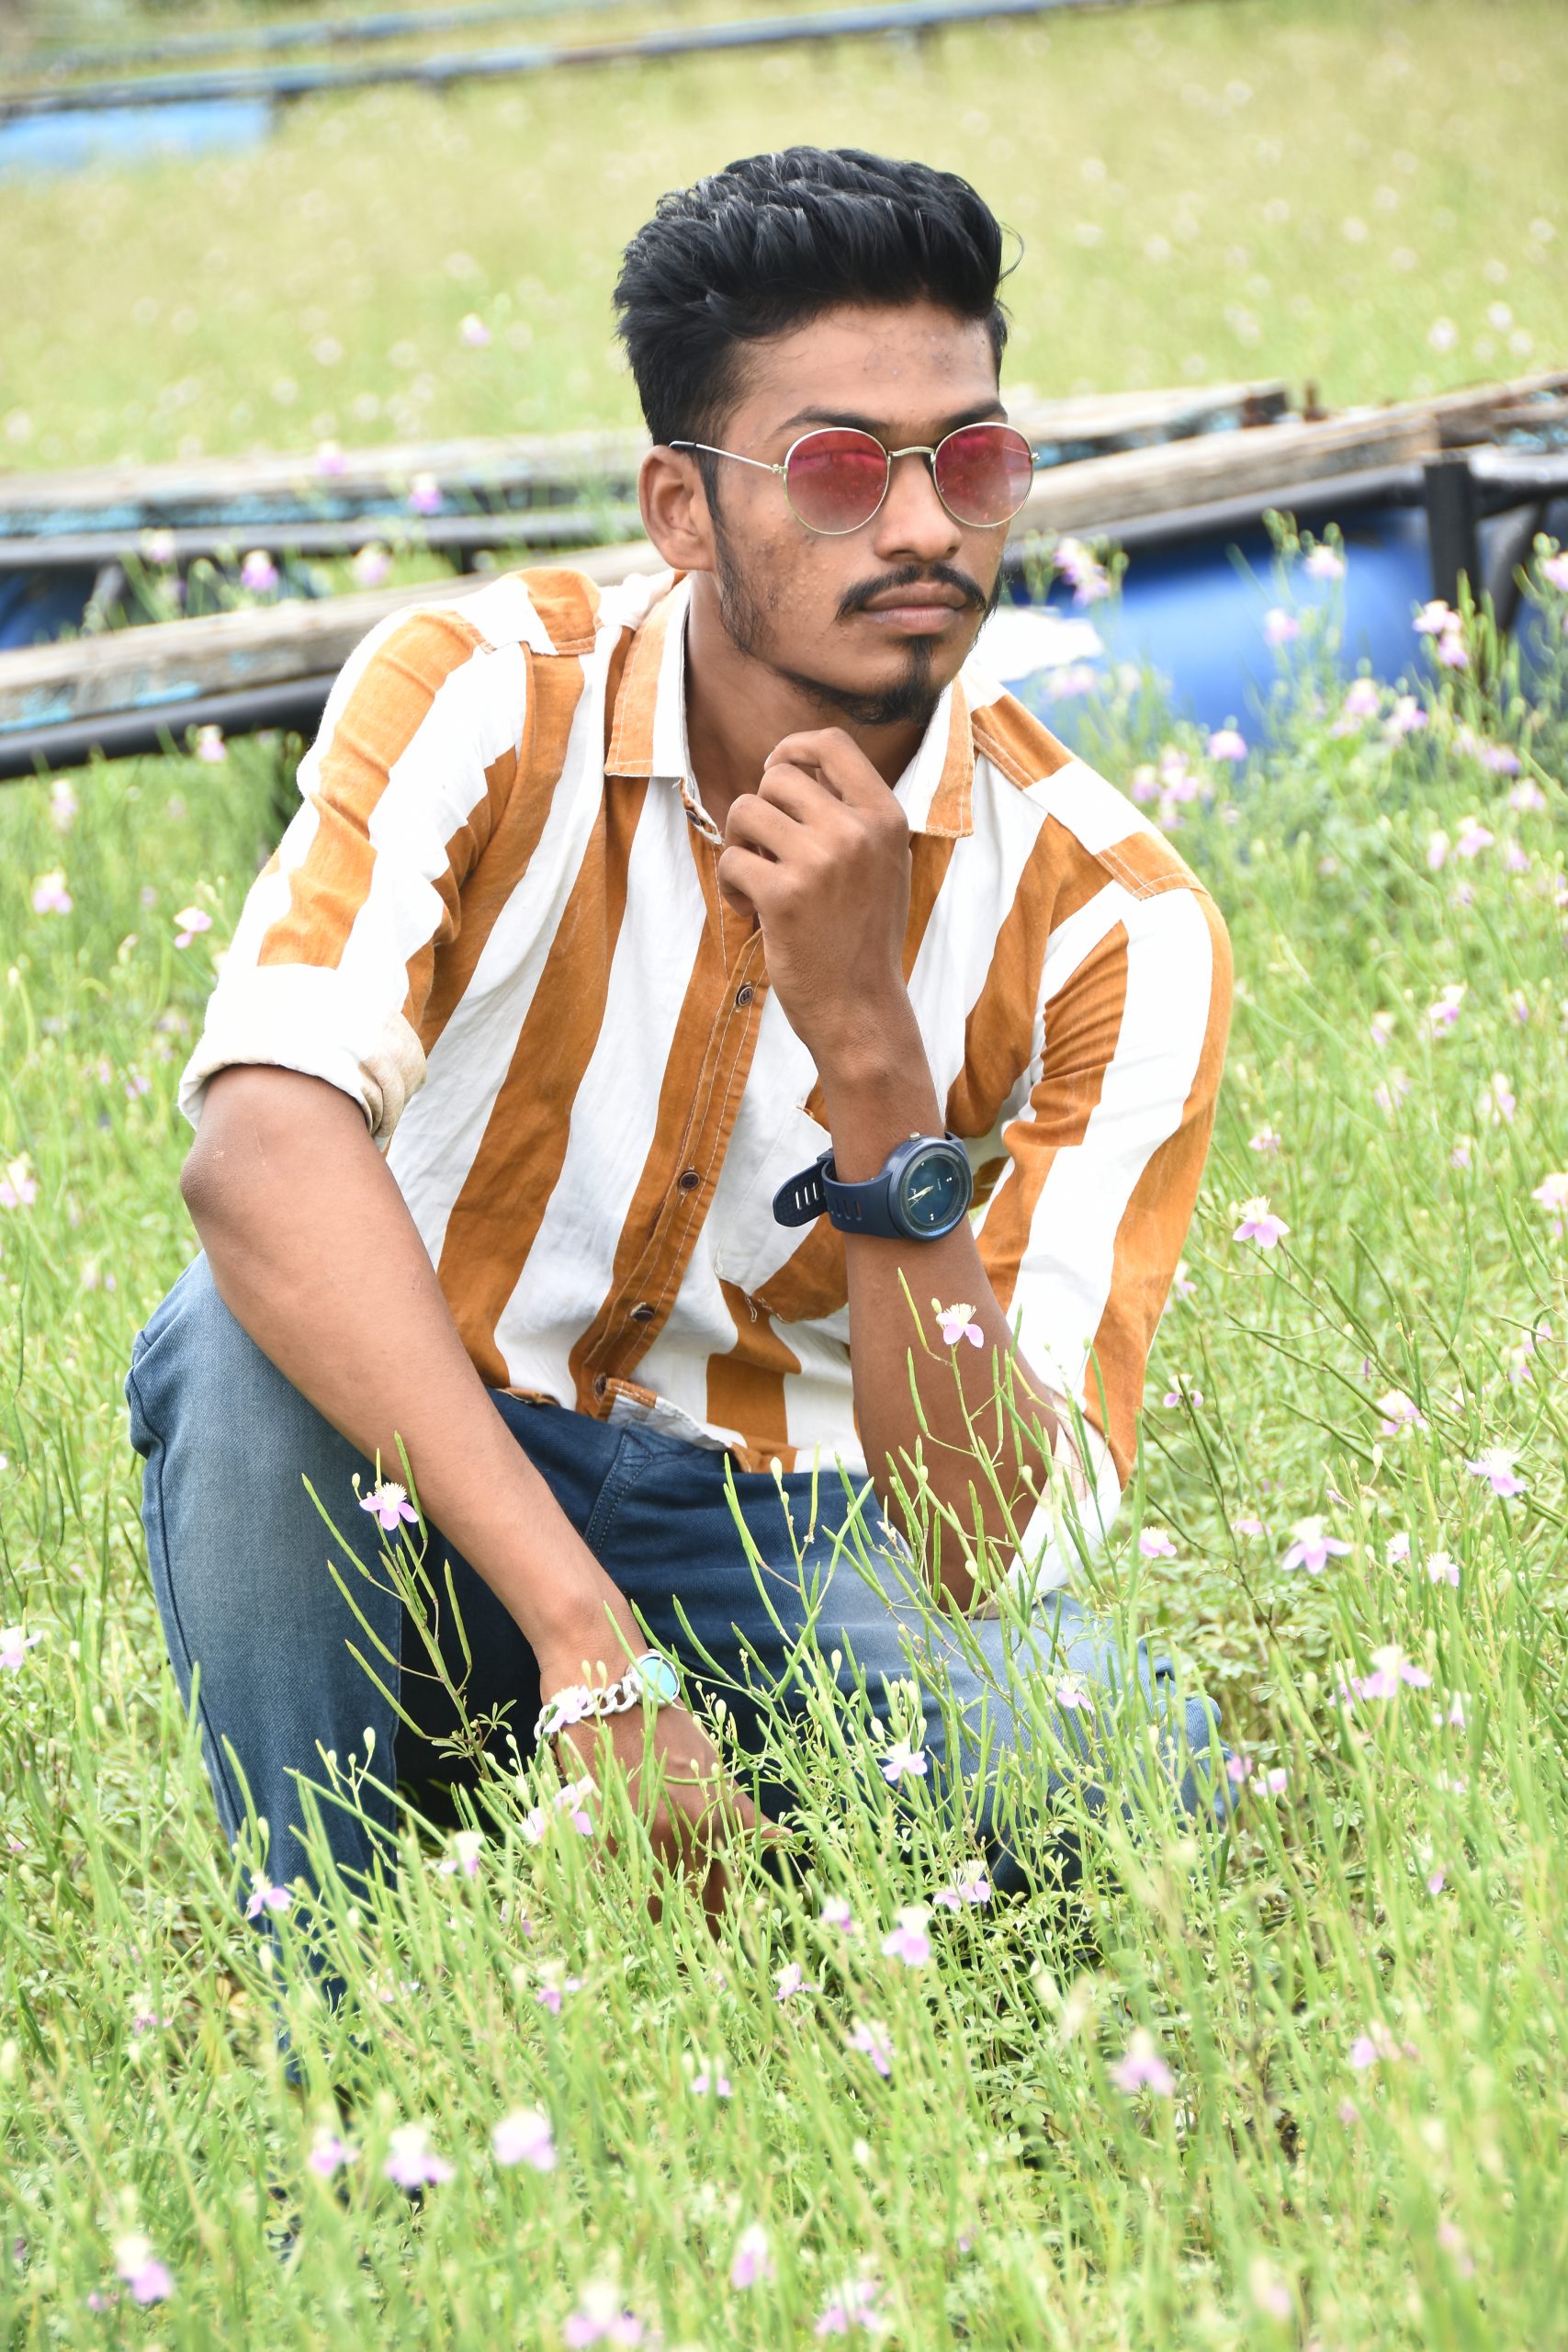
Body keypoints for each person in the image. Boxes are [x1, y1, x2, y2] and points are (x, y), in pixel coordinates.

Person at [124, 147, 1234, 1976]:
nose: (917, 529)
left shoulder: (1114, 917)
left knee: (1133, 1773)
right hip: (435, 1471)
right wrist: (587, 1644)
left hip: (792, 1538)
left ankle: (778, 1878)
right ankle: (322, 2024)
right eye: (830, 468)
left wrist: (873, 1057)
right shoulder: (481, 690)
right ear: (677, 507)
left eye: (967, 461)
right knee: (237, 1341)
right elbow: (256, 1147)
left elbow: (976, 1537)